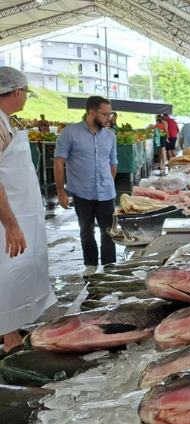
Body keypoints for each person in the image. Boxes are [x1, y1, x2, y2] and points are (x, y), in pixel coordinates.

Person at [0, 67, 56, 357]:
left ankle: (11, 329)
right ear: (17, 91)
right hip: (6, 216)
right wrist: (10, 224)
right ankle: (9, 340)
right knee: (5, 273)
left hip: (19, 212)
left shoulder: (6, 121)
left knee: (16, 272)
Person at [54, 96, 118, 278]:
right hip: (82, 192)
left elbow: (113, 163)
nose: (109, 118)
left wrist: (109, 183)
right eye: (105, 114)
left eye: (110, 114)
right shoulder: (70, 133)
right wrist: (61, 192)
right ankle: (90, 264)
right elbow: (59, 163)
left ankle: (110, 267)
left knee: (109, 231)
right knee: (86, 230)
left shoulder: (110, 136)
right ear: (92, 112)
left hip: (106, 192)